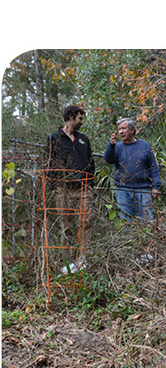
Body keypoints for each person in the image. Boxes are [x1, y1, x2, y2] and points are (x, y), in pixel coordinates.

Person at [44, 105, 95, 273]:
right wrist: (54, 185)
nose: (82, 122)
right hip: (63, 188)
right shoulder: (54, 138)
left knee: (86, 222)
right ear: (71, 117)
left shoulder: (83, 139)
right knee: (66, 225)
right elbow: (48, 162)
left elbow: (90, 162)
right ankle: (66, 263)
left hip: (83, 188)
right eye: (80, 118)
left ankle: (82, 260)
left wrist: (90, 183)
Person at [104, 118, 161, 222]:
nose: (121, 132)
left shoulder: (145, 146)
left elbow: (153, 167)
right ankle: (128, 239)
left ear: (132, 129)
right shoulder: (117, 147)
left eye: (124, 128)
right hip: (122, 189)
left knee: (147, 221)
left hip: (143, 189)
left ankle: (148, 239)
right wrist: (111, 145)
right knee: (126, 222)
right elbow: (108, 159)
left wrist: (156, 186)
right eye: (119, 129)